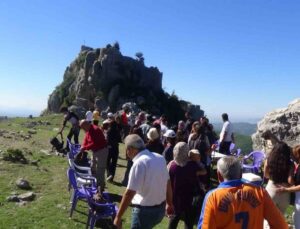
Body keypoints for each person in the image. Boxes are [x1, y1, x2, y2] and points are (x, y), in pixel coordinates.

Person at [198, 156, 288, 229]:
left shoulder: (212, 197)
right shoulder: (260, 192)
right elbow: (281, 226)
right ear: (241, 174)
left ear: (219, 175)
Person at [113, 134, 174, 229]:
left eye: (127, 149)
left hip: (144, 213)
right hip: (159, 210)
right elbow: (168, 182)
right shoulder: (159, 158)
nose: (126, 152)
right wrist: (169, 203)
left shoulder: (139, 163)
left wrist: (118, 217)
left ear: (131, 149)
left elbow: (129, 193)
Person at [168, 142, 206, 229]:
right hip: (190, 199)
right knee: (189, 223)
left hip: (176, 199)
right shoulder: (193, 165)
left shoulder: (171, 166)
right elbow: (203, 173)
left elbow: (167, 183)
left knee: (173, 222)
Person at [264, 142, 294, 214]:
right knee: (280, 217)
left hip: (271, 189)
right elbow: (290, 180)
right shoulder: (290, 163)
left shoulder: (268, 160)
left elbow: (266, 175)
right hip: (284, 191)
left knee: (268, 216)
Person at [79, 120, 108, 190]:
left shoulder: (95, 130)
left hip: (102, 151)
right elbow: (86, 138)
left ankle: (100, 187)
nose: (83, 129)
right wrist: (83, 145)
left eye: (83, 128)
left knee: (100, 169)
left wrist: (85, 147)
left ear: (86, 125)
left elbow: (94, 143)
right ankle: (95, 183)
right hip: (95, 151)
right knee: (93, 167)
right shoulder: (88, 130)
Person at [277, 145, 300, 229]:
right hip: (297, 196)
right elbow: (293, 181)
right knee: (296, 217)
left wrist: (286, 189)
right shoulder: (297, 165)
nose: (292, 157)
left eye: (293, 155)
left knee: (298, 221)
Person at [106, 117, 122, 182]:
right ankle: (112, 176)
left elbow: (107, 140)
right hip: (115, 148)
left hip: (109, 148)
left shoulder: (109, 131)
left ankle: (109, 174)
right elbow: (120, 140)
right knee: (114, 163)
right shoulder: (117, 131)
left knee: (107, 162)